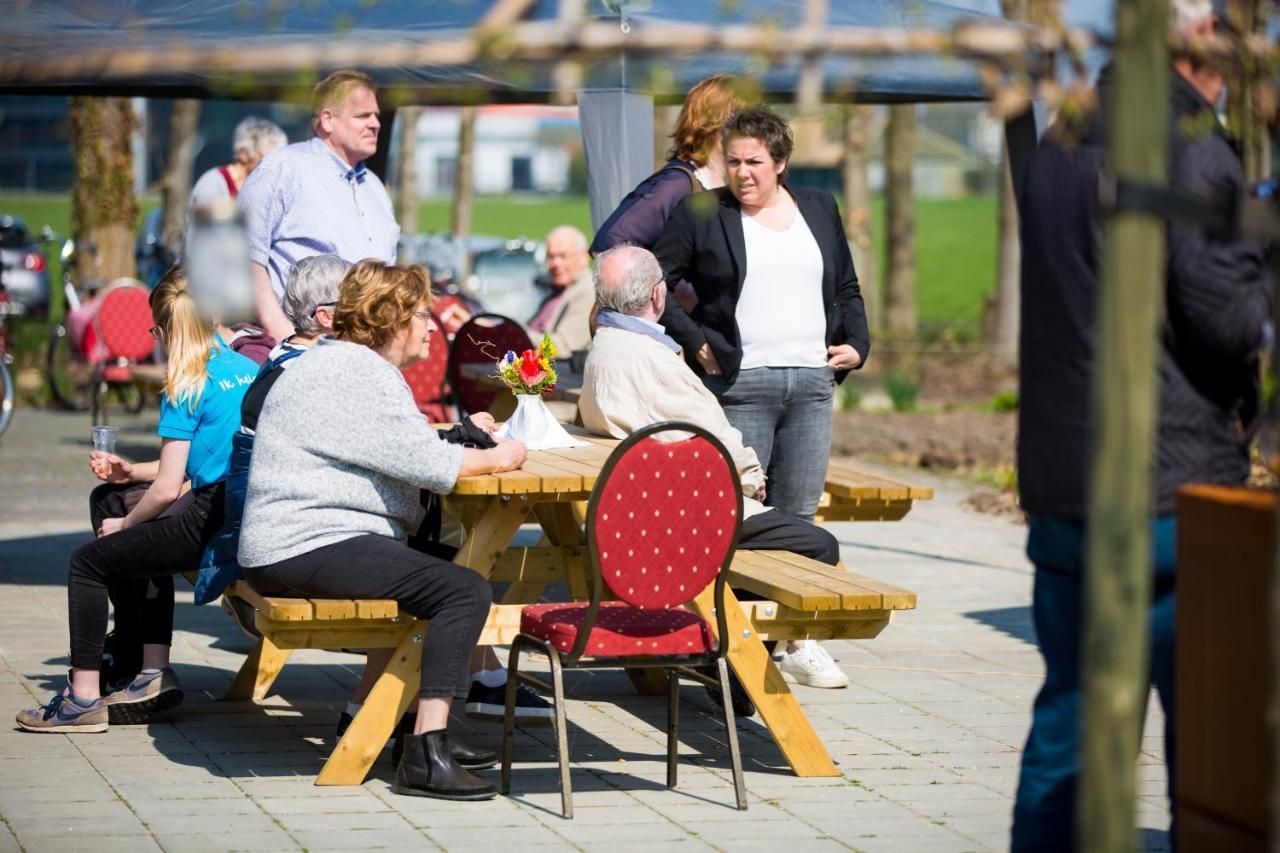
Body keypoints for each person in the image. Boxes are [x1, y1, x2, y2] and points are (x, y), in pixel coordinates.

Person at [1011, 1, 1273, 848]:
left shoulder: (1063, 138)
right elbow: (1226, 320)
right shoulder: (1191, 147)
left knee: (1072, 719)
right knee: (1211, 736)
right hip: (1171, 489)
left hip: (1062, 480)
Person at [238, 260, 529, 800]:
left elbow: (397, 447)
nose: (429, 324)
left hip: (295, 538)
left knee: (441, 570)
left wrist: (456, 444)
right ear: (390, 319)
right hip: (303, 544)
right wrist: (502, 457)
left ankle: (405, 727)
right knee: (463, 589)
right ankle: (428, 753)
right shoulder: (359, 373)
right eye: (421, 313)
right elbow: (430, 466)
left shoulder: (340, 364)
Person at [580, 245, 847, 698]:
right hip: (685, 511)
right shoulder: (650, 358)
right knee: (818, 544)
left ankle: (743, 663)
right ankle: (749, 664)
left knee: (767, 547)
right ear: (658, 296)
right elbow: (709, 437)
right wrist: (750, 477)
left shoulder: (606, 347)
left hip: (644, 505)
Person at [16, 267, 259, 733]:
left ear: (166, 329)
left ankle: (82, 699)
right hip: (239, 510)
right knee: (121, 506)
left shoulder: (185, 382)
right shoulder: (245, 371)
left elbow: (168, 490)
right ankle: (150, 669)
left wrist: (125, 527)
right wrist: (132, 473)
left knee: (88, 562)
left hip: (209, 518)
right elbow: (202, 459)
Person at [239, 69, 399, 342]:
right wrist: (287, 338)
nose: (376, 124)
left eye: (376, 116)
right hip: (301, 346)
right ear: (327, 120)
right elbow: (244, 259)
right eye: (363, 116)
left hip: (366, 350)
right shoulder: (283, 169)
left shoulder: (374, 187)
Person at [591, 74, 750, 313]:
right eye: (744, 123)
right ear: (718, 126)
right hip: (677, 336)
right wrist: (675, 292)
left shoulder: (728, 184)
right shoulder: (677, 184)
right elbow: (609, 244)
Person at [187, 117, 287, 216]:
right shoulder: (213, 184)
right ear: (243, 154)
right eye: (267, 159)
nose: (275, 167)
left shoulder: (261, 190)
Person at [528, 225, 594, 356]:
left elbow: (563, 347)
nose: (556, 263)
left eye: (563, 256)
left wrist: (515, 333)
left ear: (583, 257)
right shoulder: (559, 288)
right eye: (551, 257)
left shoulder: (588, 291)